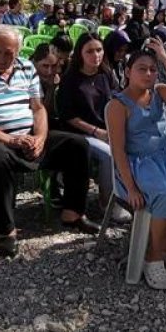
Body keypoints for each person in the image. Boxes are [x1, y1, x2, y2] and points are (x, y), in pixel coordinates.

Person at [0, 26, 98, 258]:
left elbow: (38, 108)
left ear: (18, 52)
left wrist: (40, 138)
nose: (1, 58)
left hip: (27, 135)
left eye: (8, 53)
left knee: (77, 145)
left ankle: (73, 213)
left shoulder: (26, 67)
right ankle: (6, 230)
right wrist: (10, 139)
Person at [106, 40, 166, 289]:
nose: (148, 74)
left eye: (152, 69)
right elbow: (118, 151)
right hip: (139, 166)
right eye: (142, 69)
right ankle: (153, 257)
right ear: (128, 72)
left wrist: (163, 57)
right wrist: (131, 188)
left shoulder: (159, 93)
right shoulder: (118, 105)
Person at [59, 33, 131, 223]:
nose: (96, 55)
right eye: (89, 51)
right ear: (80, 54)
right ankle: (107, 203)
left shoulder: (105, 74)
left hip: (107, 129)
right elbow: (68, 116)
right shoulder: (71, 79)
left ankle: (128, 194)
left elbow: (118, 99)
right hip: (81, 134)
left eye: (99, 50)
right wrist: (95, 131)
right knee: (109, 155)